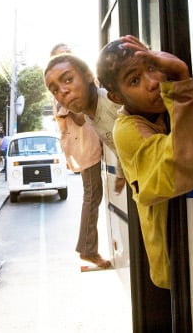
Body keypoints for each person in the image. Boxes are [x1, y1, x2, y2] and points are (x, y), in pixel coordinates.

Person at [96, 35, 193, 289]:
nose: (152, 83)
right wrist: (181, 77)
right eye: (134, 80)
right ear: (117, 98)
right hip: (176, 263)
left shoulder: (168, 102)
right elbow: (188, 159)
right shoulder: (127, 130)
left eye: (152, 67)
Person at [44, 44, 125, 269]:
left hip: (89, 142)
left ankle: (88, 249)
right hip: (83, 145)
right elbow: (79, 119)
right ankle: (88, 249)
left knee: (92, 195)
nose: (63, 88)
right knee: (92, 195)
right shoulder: (63, 93)